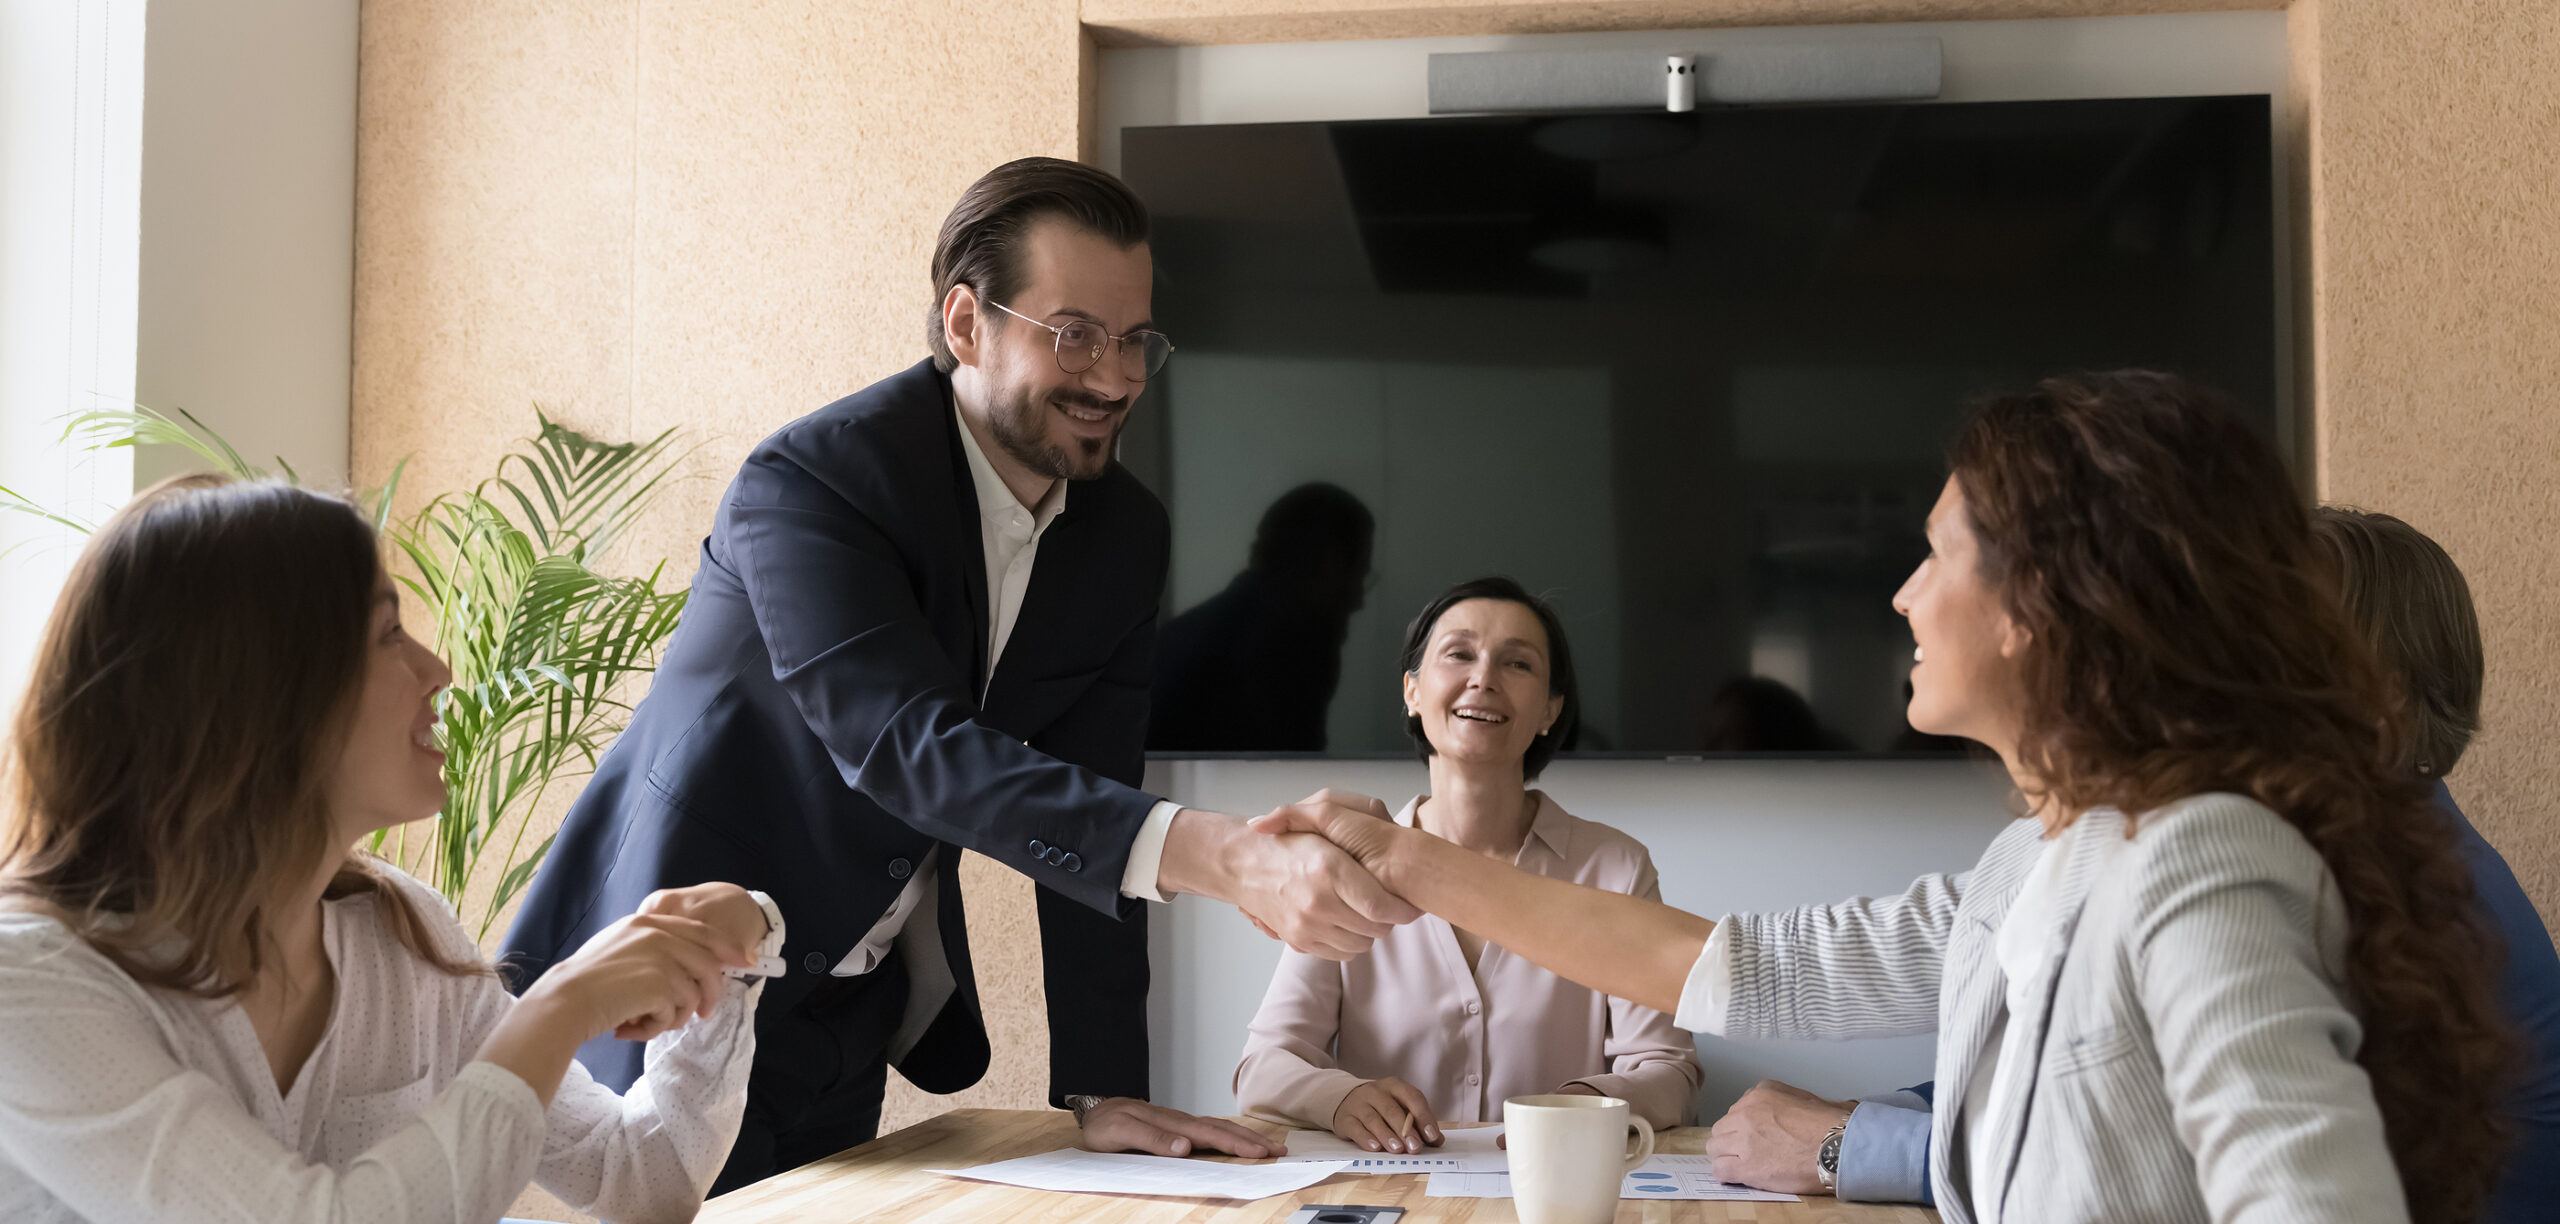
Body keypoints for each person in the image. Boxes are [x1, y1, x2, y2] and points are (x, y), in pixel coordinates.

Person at [1256, 371, 2519, 1223]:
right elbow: (1737, 965)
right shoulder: (2041, 861)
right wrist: (1398, 857)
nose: (1904, 597)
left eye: (1937, 556)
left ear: (2049, 602)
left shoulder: (2199, 861)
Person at [500, 157, 1417, 1194]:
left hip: (856, 1004)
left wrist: (1102, 1087)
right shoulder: (813, 482)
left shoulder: (1123, 534)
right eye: (1074, 333)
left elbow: (1100, 802)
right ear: (966, 323)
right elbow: (905, 746)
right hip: (675, 988)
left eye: (1133, 341)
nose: (1113, 377)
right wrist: (1222, 857)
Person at [1697, 507, 2560, 1223]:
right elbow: (2077, 1057)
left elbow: (2140, 1163)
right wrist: (1869, 1118)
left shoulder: (2396, 898)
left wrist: (1845, 1144)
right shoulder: (2283, 848)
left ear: (2371, 699)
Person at [0, 475, 779, 1223]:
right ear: (260, 695)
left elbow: (644, 1177)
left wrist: (726, 950)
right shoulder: (29, 983)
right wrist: (558, 1007)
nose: (437, 670)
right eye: (387, 634)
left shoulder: (399, 934)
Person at [1233, 578, 1700, 1149]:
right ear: (1412, 690)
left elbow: (1669, 1070)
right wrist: (1339, 1100)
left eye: (1518, 664)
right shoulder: (1342, 866)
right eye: (1459, 654)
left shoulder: (1616, 867)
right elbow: (1264, 1066)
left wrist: (1584, 1104)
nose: (1483, 678)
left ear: (1551, 709)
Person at [1150, 482, 1375, 752]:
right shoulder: (1291, 649)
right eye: (1359, 576)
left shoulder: (1202, 632)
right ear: (1331, 565)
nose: (1360, 599)